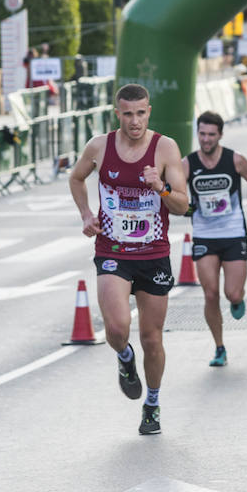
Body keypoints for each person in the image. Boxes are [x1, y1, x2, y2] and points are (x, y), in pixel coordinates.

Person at [68, 83, 190, 436]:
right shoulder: (100, 146)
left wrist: (161, 187)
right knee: (118, 329)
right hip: (113, 251)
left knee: (152, 339)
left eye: (140, 113)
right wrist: (86, 213)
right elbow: (76, 178)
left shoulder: (165, 148)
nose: (134, 121)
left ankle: (152, 403)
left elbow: (182, 205)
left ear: (149, 112)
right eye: (127, 114)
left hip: (153, 254)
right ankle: (124, 357)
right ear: (116, 113)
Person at [185, 110, 247, 368]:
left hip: (232, 233)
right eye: (202, 134)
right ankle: (219, 347)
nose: (206, 140)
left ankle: (238, 299)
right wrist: (184, 206)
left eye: (211, 135)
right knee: (210, 294)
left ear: (220, 135)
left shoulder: (235, 160)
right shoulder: (187, 164)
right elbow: (173, 190)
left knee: (232, 293)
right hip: (204, 234)